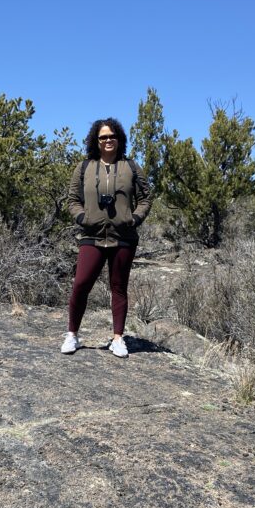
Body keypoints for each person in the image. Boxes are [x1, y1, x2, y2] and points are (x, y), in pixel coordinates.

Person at [61, 118, 152, 357]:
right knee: (81, 285)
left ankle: (118, 338)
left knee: (118, 287)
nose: (108, 140)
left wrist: (134, 219)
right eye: (103, 137)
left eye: (112, 136)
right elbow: (72, 199)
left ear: (119, 139)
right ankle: (72, 335)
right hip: (92, 235)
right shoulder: (85, 167)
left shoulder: (131, 167)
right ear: (96, 141)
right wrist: (82, 218)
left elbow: (146, 198)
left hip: (123, 237)